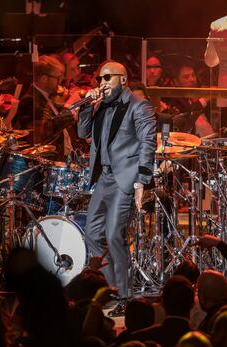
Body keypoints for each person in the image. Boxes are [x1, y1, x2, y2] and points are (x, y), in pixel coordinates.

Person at [77, 61, 157, 305]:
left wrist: (142, 180)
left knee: (113, 234)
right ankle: (110, 287)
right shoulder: (100, 105)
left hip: (125, 177)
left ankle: (124, 293)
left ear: (123, 80)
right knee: (91, 233)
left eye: (107, 78)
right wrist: (86, 105)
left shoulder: (139, 106)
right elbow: (82, 133)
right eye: (100, 79)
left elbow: (147, 142)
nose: (102, 84)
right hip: (104, 177)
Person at [16, 55, 77, 148]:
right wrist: (69, 106)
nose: (60, 81)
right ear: (44, 79)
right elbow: (44, 133)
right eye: (57, 78)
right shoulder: (30, 101)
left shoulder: (48, 96)